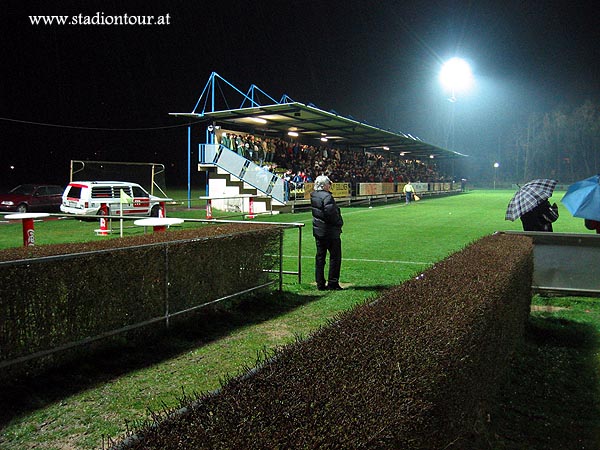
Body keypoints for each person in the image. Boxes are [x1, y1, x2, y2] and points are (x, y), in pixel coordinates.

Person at [311, 175, 344, 290]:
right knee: (335, 257)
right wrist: (339, 222)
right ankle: (333, 282)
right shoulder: (327, 197)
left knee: (320, 257)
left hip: (319, 231)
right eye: (328, 184)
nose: (330, 186)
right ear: (324, 185)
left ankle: (320, 282)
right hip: (330, 232)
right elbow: (331, 214)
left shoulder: (314, 195)